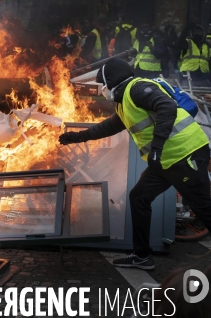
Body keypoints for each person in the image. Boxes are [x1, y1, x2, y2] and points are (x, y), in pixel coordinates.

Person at [58, 58, 211, 270]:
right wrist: (76, 137)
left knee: (203, 207)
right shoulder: (123, 104)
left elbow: (167, 106)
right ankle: (142, 256)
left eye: (102, 85)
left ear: (110, 82)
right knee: (139, 197)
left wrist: (156, 147)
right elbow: (106, 128)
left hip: (185, 153)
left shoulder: (137, 88)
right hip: (166, 161)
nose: (102, 90)